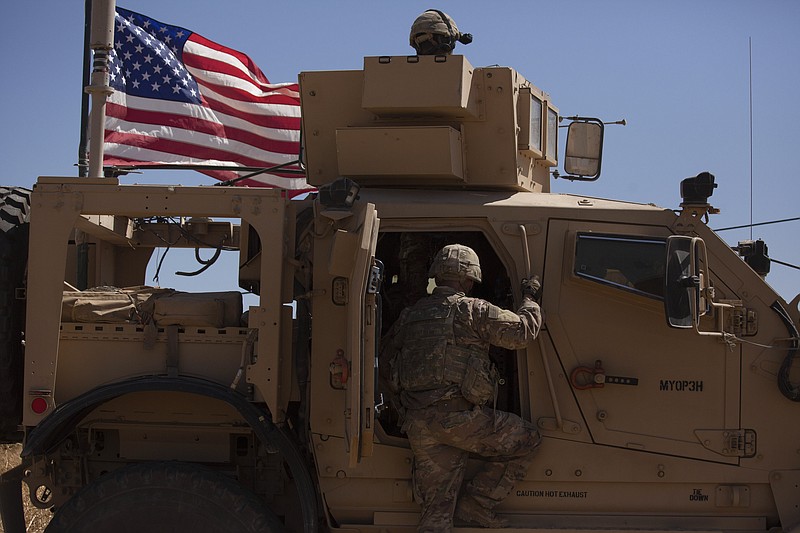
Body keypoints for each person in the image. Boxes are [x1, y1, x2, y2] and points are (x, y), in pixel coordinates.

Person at [380, 244, 543, 531]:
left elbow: (385, 362)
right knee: (528, 440)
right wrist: (530, 298)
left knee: (436, 515)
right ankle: (477, 503)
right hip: (460, 420)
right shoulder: (472, 310)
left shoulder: (410, 315)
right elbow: (522, 333)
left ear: (437, 276)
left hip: (419, 423)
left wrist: (404, 407)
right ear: (469, 280)